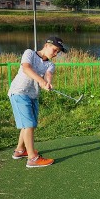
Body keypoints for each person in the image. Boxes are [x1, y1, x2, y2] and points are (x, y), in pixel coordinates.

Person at [8, 36, 67, 167]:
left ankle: (20, 150)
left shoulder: (50, 64)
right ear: (46, 45)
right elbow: (26, 68)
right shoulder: (29, 53)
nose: (56, 53)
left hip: (32, 95)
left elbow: (48, 74)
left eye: (58, 52)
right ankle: (32, 158)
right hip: (19, 92)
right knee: (28, 124)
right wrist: (41, 81)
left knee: (30, 124)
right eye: (55, 49)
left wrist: (48, 83)